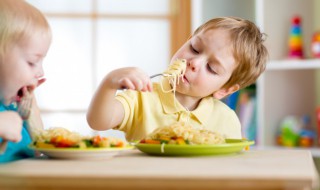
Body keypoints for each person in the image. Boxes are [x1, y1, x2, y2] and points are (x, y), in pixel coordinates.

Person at [87, 17, 268, 142]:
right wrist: (109, 83)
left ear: (225, 89)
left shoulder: (226, 119)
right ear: (188, 40)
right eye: (195, 48)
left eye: (211, 68)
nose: (194, 62)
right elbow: (98, 121)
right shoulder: (142, 97)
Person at [0, 0, 51, 163]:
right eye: (31, 62)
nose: (40, 72)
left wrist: (31, 113)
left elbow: (39, 152)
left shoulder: (11, 105)